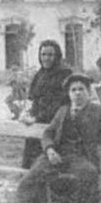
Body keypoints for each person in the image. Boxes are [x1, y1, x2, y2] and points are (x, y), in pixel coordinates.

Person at [7, 73, 101, 203]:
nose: (77, 93)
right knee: (28, 181)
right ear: (69, 93)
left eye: (81, 89)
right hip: (54, 155)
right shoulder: (62, 111)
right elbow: (48, 133)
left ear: (89, 92)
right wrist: (49, 150)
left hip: (79, 157)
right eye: (73, 90)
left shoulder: (95, 111)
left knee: (90, 174)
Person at [18, 40, 72, 169]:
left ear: (57, 56)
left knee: (47, 161)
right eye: (43, 54)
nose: (46, 58)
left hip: (53, 125)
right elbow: (33, 99)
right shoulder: (40, 74)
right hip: (35, 123)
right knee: (30, 161)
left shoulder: (65, 74)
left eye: (50, 55)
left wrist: (37, 118)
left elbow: (61, 104)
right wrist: (26, 113)